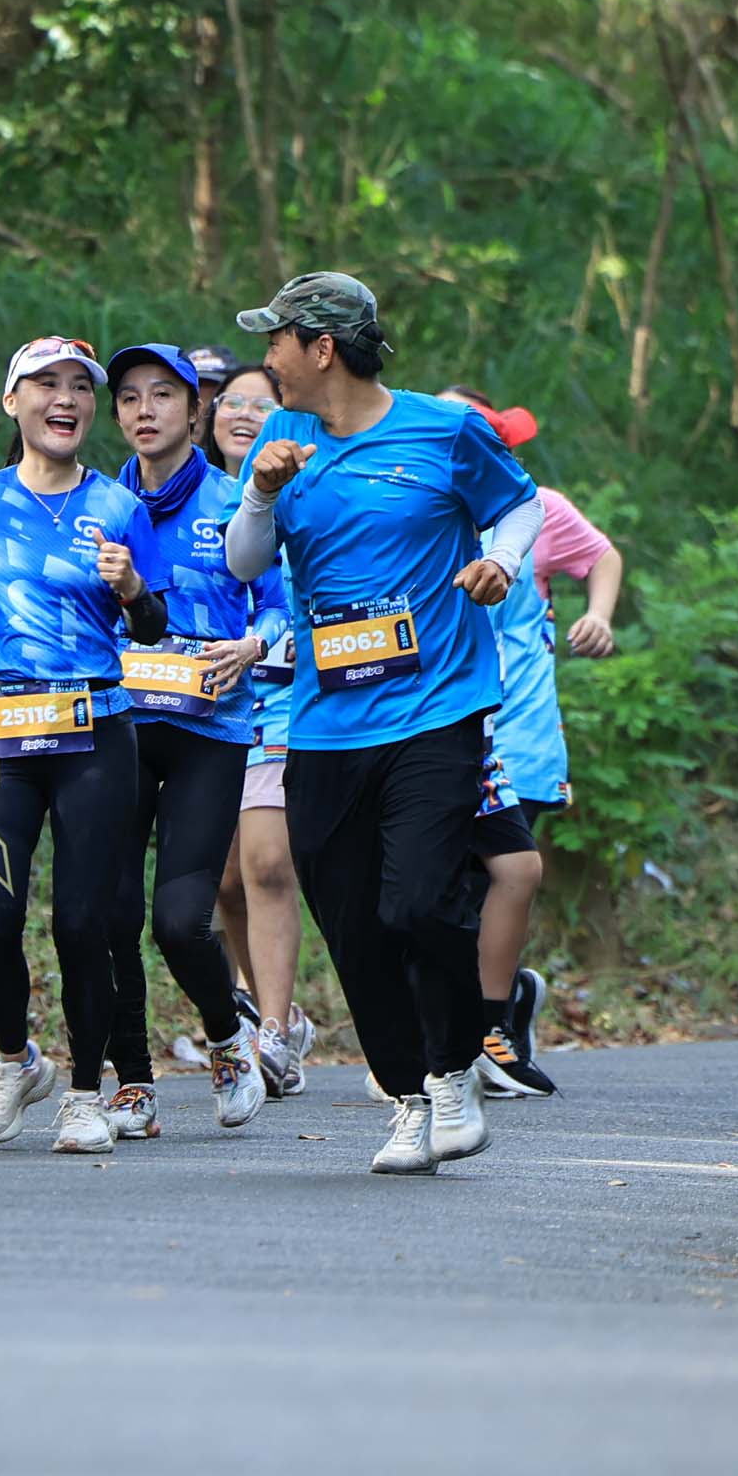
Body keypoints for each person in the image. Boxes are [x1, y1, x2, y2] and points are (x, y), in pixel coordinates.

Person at [224, 273, 539, 1177]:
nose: (268, 362)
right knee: (354, 923)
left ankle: (452, 1072)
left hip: (437, 707)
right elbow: (247, 562)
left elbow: (520, 504)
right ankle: (408, 1098)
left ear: (322, 348)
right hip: (326, 722)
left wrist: (501, 560)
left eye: (277, 342)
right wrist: (261, 495)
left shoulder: (444, 430)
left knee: (419, 902)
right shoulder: (280, 440)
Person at [0, 338, 172, 1154]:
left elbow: (152, 624)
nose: (66, 399)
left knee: (83, 923)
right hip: (2, 726)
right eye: (46, 384)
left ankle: (84, 1094)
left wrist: (131, 588)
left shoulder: (118, 504)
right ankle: (16, 1060)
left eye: (80, 386)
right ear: (12, 402)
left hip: (94, 728)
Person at [103, 344, 280, 1133]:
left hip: (211, 727)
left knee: (180, 920)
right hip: (117, 726)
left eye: (163, 395)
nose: (145, 410)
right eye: (130, 397)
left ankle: (226, 1035)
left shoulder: (237, 501)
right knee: (108, 913)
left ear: (195, 409)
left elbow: (283, 601)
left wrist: (254, 645)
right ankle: (133, 1083)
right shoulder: (98, 504)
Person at [437, 390, 627, 1101]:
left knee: (495, 877)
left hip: (520, 733)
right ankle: (490, 1005)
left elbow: (602, 556)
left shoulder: (538, 508)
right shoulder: (412, 510)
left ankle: (488, 1026)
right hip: (436, 727)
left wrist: (599, 616)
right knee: (442, 890)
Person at [202, 361, 313, 1094]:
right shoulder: (186, 492)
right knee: (222, 880)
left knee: (268, 862)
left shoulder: (309, 488)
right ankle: (267, 1007)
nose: (243, 413)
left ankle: (273, 1031)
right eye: (231, 401)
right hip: (208, 701)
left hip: (288, 695)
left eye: (261, 403)